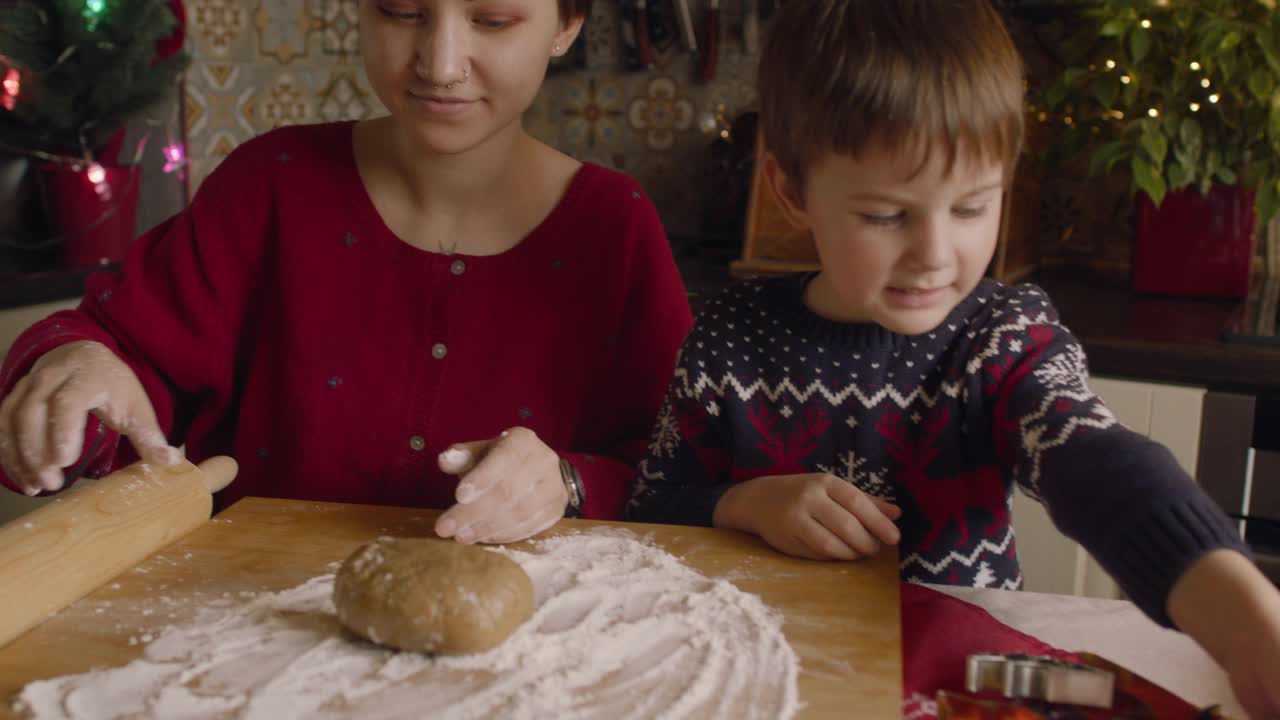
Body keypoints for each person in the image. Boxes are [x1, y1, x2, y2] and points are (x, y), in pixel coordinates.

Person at [626, 1, 1280, 716]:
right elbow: (652, 511)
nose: (936, 256)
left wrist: (1246, 618)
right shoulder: (726, 338)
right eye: (886, 215)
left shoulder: (1004, 336)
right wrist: (742, 503)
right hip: (767, 680)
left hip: (960, 688)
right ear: (792, 191)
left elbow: (1100, 464)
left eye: (972, 207)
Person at [0, 0, 692, 546]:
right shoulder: (270, 184)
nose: (441, 62)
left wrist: (569, 482)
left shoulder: (614, 224)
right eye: (399, 12)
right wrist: (75, 368)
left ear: (566, 25)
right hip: (247, 631)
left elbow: (685, 469)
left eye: (492, 21)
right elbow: (120, 356)